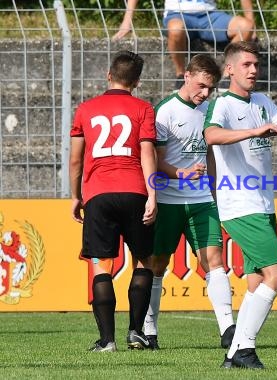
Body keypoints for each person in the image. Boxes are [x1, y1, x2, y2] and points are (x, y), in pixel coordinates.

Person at [203, 41, 277, 369]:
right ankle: (244, 349)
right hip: (238, 203)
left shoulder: (263, 101)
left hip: (263, 203)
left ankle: (235, 354)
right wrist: (257, 129)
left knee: (257, 281)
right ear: (229, 69)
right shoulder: (223, 104)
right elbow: (211, 136)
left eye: (256, 65)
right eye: (246, 65)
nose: (254, 70)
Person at [144, 54, 235, 350]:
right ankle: (149, 331)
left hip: (201, 201)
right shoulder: (165, 111)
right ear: (186, 76)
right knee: (158, 264)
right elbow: (154, 160)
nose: (205, 94)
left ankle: (228, 330)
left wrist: (215, 193)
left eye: (210, 89)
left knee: (214, 261)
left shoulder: (209, 110)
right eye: (201, 86)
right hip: (169, 199)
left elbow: (209, 154)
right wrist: (181, 173)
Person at [69, 50, 158, 352]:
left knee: (101, 266)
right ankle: (136, 332)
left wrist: (74, 196)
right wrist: (153, 193)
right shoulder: (143, 108)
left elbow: (75, 161)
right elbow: (147, 153)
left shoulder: (86, 109)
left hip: (98, 195)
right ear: (136, 82)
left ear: (109, 75)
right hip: (135, 191)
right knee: (144, 261)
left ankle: (107, 340)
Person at [113, 0, 256, 86]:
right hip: (177, 14)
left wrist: (252, 23)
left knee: (245, 26)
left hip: (210, 16)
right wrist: (127, 21)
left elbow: (248, 25)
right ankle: (181, 74)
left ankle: (226, 75)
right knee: (175, 29)